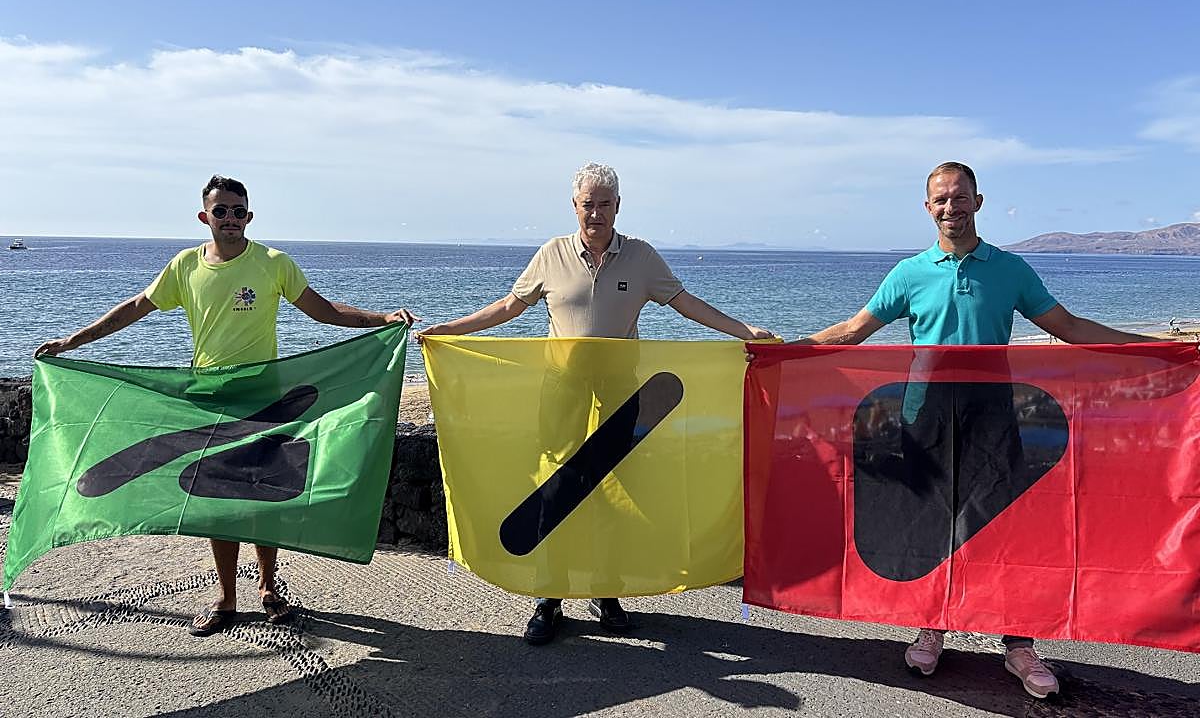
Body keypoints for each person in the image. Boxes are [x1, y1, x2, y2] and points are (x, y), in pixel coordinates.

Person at [798, 161, 1154, 699]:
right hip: (926, 419)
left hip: (993, 417)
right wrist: (782, 353)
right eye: (940, 200)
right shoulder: (910, 273)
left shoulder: (1010, 270)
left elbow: (1069, 327)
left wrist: (1147, 348)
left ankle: (1018, 644)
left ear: (978, 202)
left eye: (959, 198)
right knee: (934, 529)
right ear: (927, 208)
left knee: (1006, 530)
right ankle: (933, 626)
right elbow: (853, 331)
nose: (950, 208)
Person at [35, 175, 418, 637]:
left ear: (249, 216)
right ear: (205, 216)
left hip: (267, 401)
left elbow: (323, 312)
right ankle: (226, 596)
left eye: (239, 211)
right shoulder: (184, 267)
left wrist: (382, 320)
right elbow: (137, 306)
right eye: (222, 211)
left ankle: (270, 589)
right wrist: (73, 341)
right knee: (218, 503)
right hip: (210, 401)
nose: (231, 219)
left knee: (264, 497)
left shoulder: (273, 263)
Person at [417, 162, 775, 645]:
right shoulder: (551, 255)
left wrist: (744, 332)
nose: (596, 213)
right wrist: (449, 330)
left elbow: (687, 304)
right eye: (588, 204)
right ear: (575, 206)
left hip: (621, 395)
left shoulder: (642, 258)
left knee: (612, 493)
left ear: (618, 207)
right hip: (561, 392)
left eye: (605, 204)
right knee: (555, 490)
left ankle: (607, 593)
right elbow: (507, 308)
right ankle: (550, 597)